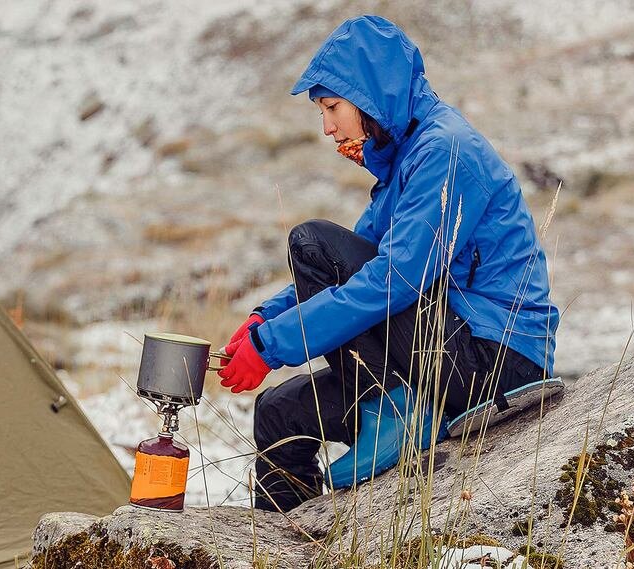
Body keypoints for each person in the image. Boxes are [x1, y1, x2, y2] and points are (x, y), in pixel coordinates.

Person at [216, 15, 562, 512]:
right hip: (439, 355)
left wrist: (273, 346)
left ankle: (391, 410)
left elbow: (393, 281)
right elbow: (360, 260)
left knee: (310, 243)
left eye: (332, 107)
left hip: (496, 358)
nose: (327, 127)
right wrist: (264, 319)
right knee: (278, 412)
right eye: (321, 113)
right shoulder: (407, 161)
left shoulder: (446, 150)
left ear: (373, 95)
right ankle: (287, 545)